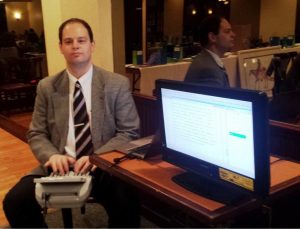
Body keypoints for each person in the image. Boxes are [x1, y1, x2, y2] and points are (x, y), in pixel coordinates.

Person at [3, 18, 141, 228]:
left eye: (81, 40)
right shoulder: (47, 87)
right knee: (15, 202)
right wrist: (52, 155)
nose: (75, 46)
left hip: (102, 166)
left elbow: (129, 131)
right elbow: (36, 133)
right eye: (68, 41)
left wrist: (97, 158)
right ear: (60, 47)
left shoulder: (116, 84)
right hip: (60, 166)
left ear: (92, 45)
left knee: (127, 201)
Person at [184, 15, 235, 87]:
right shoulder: (209, 71)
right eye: (227, 31)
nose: (233, 35)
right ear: (212, 37)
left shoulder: (205, 59)